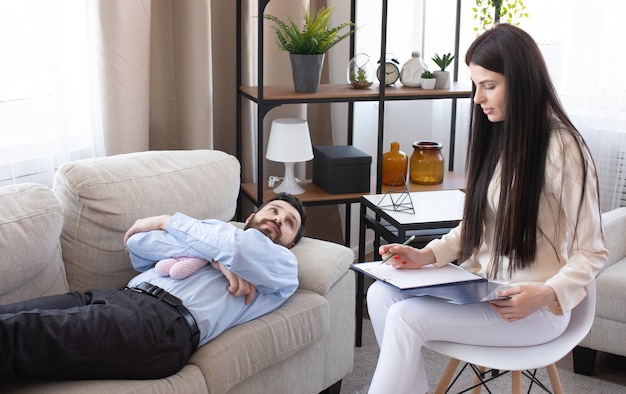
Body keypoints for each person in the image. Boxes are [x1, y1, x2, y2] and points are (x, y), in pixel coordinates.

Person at [366, 24, 608, 394]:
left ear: (522, 81)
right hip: (484, 288)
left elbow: (592, 252)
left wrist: (545, 293)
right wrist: (427, 255)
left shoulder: (564, 150)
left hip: (532, 309)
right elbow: (477, 225)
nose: (477, 97)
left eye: (489, 85)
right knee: (380, 294)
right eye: (475, 85)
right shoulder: (501, 136)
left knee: (405, 318)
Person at [0, 192, 306, 381]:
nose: (279, 220)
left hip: (162, 325)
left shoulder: (282, 268)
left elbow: (243, 250)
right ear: (252, 216)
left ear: (291, 244)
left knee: (18, 334)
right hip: (120, 296)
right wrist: (216, 257)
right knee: (9, 316)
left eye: (289, 222)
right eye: (274, 211)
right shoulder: (213, 233)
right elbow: (139, 243)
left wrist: (165, 220)